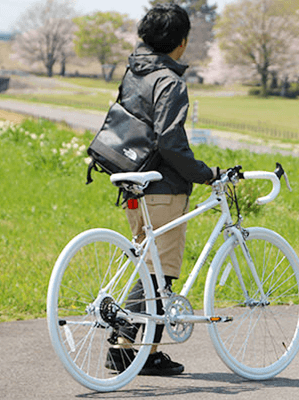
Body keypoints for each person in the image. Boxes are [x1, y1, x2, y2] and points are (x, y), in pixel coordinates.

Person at [105, 3, 221, 376]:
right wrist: (205, 173)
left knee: (147, 270)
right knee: (159, 274)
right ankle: (129, 348)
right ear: (181, 43)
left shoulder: (134, 73)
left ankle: (137, 350)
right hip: (163, 188)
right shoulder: (170, 82)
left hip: (132, 183)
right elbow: (171, 142)